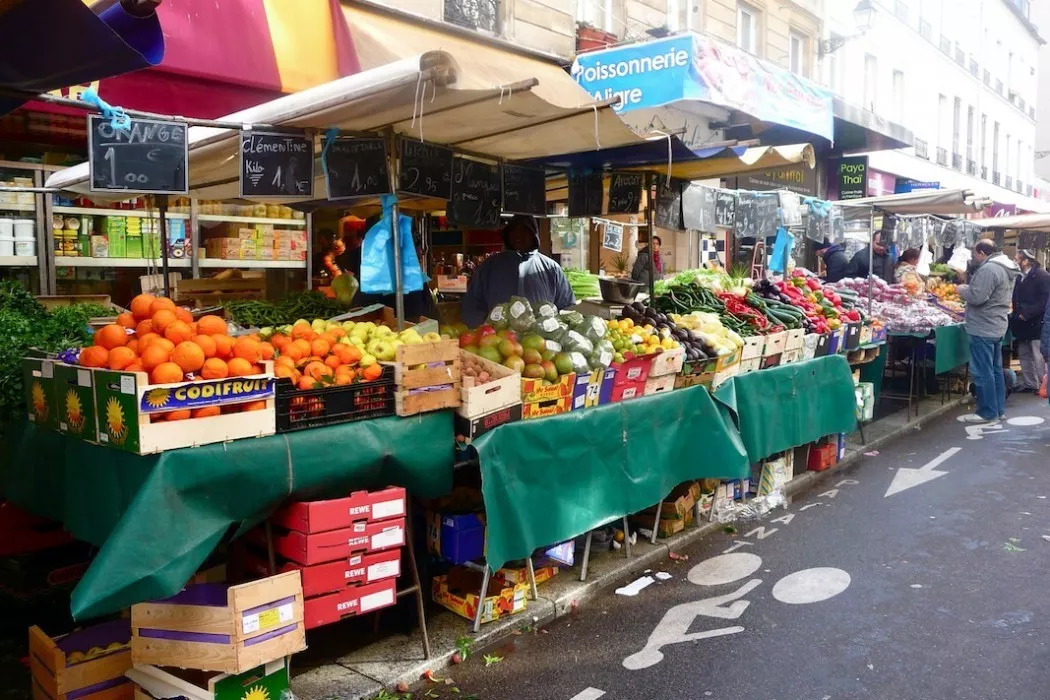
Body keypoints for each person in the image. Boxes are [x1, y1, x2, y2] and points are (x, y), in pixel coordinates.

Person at [461, 214, 575, 327]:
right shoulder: (489, 267)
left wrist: (555, 331)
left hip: (540, 336)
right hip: (497, 336)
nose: (518, 235)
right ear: (507, 235)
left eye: (525, 231)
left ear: (534, 235)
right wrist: (483, 330)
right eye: (514, 231)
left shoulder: (551, 269)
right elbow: (472, 305)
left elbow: (567, 307)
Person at [957, 239, 1020, 423]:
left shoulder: (989, 269)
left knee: (983, 372)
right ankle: (998, 410)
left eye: (975, 253)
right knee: (995, 370)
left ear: (982, 253)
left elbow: (977, 297)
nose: (974, 257)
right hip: (997, 325)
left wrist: (962, 289)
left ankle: (987, 412)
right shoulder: (1006, 267)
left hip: (983, 326)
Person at [1012, 249, 1050, 392]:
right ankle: (1030, 384)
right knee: (1024, 355)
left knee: (1038, 356)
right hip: (1022, 324)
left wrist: (1027, 313)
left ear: (1026, 261)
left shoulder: (1042, 276)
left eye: (1017, 259)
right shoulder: (1019, 276)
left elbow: (1045, 301)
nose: (1015, 261)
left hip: (1037, 323)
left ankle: (1044, 385)